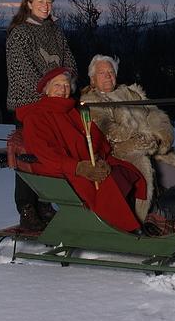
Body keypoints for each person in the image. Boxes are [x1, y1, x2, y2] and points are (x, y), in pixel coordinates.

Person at [17, 67, 147, 233]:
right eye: (57, 85)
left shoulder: (73, 110)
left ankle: (126, 219)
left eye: (66, 86)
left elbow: (96, 138)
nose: (62, 90)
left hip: (87, 164)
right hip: (60, 171)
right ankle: (125, 227)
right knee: (105, 182)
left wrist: (99, 159)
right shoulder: (36, 116)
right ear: (47, 89)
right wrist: (78, 168)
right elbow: (44, 154)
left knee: (122, 171)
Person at [80, 54, 175, 220]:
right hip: (125, 156)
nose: (108, 76)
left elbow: (156, 116)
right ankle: (143, 220)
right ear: (92, 79)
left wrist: (160, 136)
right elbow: (110, 133)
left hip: (154, 150)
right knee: (147, 178)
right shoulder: (90, 102)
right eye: (102, 73)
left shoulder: (131, 93)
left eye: (111, 71)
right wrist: (140, 140)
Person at [6, 0, 78, 230]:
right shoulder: (20, 34)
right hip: (31, 104)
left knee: (53, 152)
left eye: (50, 2)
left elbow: (69, 62)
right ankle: (27, 208)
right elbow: (24, 73)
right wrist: (50, 89)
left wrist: (66, 83)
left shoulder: (54, 31)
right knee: (28, 155)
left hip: (56, 104)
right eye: (41, 2)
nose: (46, 7)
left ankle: (46, 202)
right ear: (28, 3)